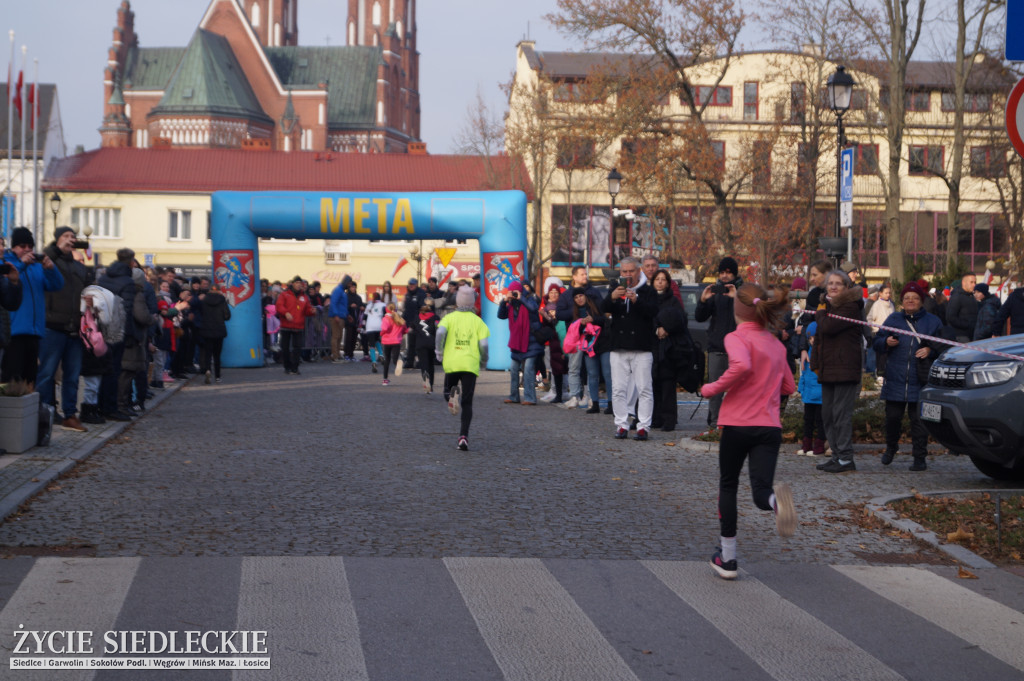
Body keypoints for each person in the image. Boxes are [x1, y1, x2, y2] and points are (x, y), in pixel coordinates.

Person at [699, 283, 797, 580]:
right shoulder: (777, 345)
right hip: (769, 428)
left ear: (737, 311)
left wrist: (711, 388)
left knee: (728, 485)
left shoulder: (735, 337)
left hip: (738, 425)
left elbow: (741, 365)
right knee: (761, 492)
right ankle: (776, 503)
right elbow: (789, 387)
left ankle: (728, 559)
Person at [872, 282, 944, 471]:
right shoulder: (893, 319)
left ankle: (919, 457)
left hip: (920, 380)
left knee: (919, 422)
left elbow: (944, 347)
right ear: (902, 301)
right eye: (906, 298)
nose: (910, 301)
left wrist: (930, 349)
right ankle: (891, 447)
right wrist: (886, 342)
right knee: (892, 419)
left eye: (915, 298)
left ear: (921, 301)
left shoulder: (933, 321)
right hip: (895, 378)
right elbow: (876, 341)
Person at [37, 226, 90, 432]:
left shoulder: (78, 267)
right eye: (66, 236)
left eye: (73, 237)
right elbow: (45, 257)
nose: (71, 240)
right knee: (46, 373)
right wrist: (57, 249)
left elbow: (86, 286)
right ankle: (43, 415)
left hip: (75, 328)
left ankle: (70, 414)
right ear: (58, 239)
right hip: (52, 325)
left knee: (72, 375)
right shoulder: (49, 258)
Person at [811, 269, 864, 473]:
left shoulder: (850, 306)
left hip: (844, 368)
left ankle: (846, 457)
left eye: (838, 283)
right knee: (828, 415)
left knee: (841, 414)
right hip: (829, 368)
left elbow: (827, 327)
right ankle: (836, 455)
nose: (833, 287)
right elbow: (819, 339)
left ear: (846, 287)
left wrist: (821, 311)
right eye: (830, 283)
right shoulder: (828, 307)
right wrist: (816, 364)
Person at [602, 256, 658, 440]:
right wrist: (612, 297)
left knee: (644, 388)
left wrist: (637, 300)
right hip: (618, 346)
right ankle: (621, 424)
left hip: (641, 346)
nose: (627, 275)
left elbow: (653, 312)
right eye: (624, 271)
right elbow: (603, 308)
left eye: (631, 271)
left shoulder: (648, 290)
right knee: (618, 388)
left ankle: (643, 426)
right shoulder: (615, 288)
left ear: (638, 271)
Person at [1, 227, 63, 384]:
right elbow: (7, 285)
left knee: (30, 381)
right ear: (13, 247)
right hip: (14, 332)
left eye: (30, 246)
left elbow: (57, 285)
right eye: (22, 246)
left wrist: (51, 269)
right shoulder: (8, 264)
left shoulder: (37, 266)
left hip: (35, 331)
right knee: (11, 380)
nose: (27, 250)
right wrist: (21, 265)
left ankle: (29, 408)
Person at [436, 286, 490, 451]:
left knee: (448, 389)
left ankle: (450, 396)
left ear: (457, 301)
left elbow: (440, 333)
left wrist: (439, 351)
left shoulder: (449, 318)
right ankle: (463, 437)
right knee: (467, 402)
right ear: (472, 301)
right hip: (470, 364)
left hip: (452, 362)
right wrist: (483, 361)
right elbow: (484, 344)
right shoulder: (478, 321)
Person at [694, 256, 742, 433]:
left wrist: (737, 298)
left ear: (734, 274)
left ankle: (736, 423)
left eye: (728, 272)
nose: (725, 276)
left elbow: (751, 315)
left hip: (738, 350)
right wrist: (704, 300)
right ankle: (715, 424)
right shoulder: (715, 293)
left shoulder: (743, 291)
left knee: (738, 389)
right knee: (715, 389)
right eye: (722, 272)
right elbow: (700, 317)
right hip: (717, 347)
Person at [555, 266, 602, 409]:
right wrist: (576, 315)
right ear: (574, 277)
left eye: (585, 274)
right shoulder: (565, 295)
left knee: (590, 368)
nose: (585, 276)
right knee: (574, 368)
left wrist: (591, 318)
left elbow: (601, 311)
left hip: (590, 337)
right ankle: (574, 396)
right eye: (582, 274)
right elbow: (559, 314)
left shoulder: (593, 292)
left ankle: (589, 396)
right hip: (575, 337)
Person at [650, 269, 692, 432]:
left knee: (668, 384)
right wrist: (656, 330)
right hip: (653, 345)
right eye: (657, 279)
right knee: (653, 383)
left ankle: (669, 419)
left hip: (669, 347)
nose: (660, 282)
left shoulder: (673, 300)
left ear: (668, 283)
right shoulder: (648, 299)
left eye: (663, 279)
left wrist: (666, 329)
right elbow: (646, 318)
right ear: (653, 281)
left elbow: (680, 319)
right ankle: (655, 417)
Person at [498, 280, 544, 405]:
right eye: (511, 292)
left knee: (528, 369)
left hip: (531, 341)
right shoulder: (511, 305)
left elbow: (534, 308)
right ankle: (514, 396)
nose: (513, 294)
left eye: (515, 292)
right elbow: (501, 315)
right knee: (513, 369)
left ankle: (530, 398)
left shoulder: (530, 299)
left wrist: (521, 297)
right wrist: (504, 302)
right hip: (516, 342)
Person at [796, 322, 826, 456]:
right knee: (807, 420)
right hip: (809, 394)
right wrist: (801, 388)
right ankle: (806, 445)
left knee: (820, 421)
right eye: (810, 338)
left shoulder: (823, 353)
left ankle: (819, 445)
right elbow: (804, 373)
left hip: (820, 395)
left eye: (814, 337)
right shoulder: (807, 352)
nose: (812, 341)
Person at [276, 276, 315, 375]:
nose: (299, 284)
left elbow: (307, 310)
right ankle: (287, 367)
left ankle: (295, 367)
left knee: (297, 348)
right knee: (285, 347)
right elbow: (279, 306)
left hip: (298, 326)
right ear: (292, 283)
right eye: (297, 282)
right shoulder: (284, 294)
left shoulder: (304, 297)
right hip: (286, 325)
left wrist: (312, 311)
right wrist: (286, 313)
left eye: (300, 283)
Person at [539, 283, 568, 405]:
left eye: (556, 292)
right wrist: (546, 315)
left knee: (568, 367)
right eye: (551, 292)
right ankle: (558, 394)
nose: (554, 294)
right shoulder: (545, 307)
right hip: (553, 341)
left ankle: (567, 392)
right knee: (556, 368)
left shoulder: (563, 306)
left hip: (564, 339)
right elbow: (545, 325)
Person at [198, 283, 231, 384]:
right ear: (219, 290)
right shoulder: (222, 300)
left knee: (208, 353)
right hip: (219, 330)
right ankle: (217, 376)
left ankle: (207, 370)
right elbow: (227, 316)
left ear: (209, 291)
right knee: (217, 355)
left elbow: (200, 314)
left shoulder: (204, 300)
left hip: (207, 329)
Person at [864, 283, 894, 383]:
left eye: (889, 293)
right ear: (880, 294)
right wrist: (875, 328)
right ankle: (876, 375)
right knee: (878, 356)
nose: (888, 295)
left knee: (888, 355)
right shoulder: (876, 305)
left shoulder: (891, 305)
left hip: (890, 334)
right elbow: (869, 319)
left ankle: (886, 373)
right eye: (886, 293)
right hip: (879, 334)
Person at [379, 302, 407, 385]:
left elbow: (385, 328)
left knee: (387, 360)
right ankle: (397, 362)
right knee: (394, 358)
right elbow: (405, 330)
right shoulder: (399, 318)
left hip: (386, 341)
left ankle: (385, 379)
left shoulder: (386, 318)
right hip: (396, 341)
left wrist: (381, 333)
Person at [402, 278, 427, 369]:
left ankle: (420, 362)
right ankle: (409, 362)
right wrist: (403, 319)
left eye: (413, 284)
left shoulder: (421, 294)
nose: (411, 286)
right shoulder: (408, 294)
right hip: (410, 323)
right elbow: (406, 309)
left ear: (416, 284)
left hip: (419, 323)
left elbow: (423, 309)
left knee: (419, 344)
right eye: (410, 284)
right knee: (411, 344)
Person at [945, 273, 979, 343]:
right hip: (960, 337)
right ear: (963, 282)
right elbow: (950, 317)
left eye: (975, 282)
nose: (974, 285)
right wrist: (968, 325)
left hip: (971, 335)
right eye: (971, 282)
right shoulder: (957, 297)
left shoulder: (971, 296)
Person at [414, 302, 438, 393]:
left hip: (420, 343)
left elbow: (412, 330)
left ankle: (425, 377)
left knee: (423, 363)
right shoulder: (435, 317)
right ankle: (431, 386)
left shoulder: (416, 318)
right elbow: (438, 328)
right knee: (431, 364)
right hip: (431, 343)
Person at [328, 277, 350, 363]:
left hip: (341, 317)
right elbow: (333, 303)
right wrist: (336, 314)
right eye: (349, 284)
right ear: (346, 282)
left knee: (339, 337)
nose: (349, 285)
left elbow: (343, 305)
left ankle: (338, 355)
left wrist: (347, 314)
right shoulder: (338, 290)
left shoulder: (342, 291)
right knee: (336, 336)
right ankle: (335, 356)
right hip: (336, 317)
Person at [363, 292, 386, 372]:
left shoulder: (369, 305)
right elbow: (386, 314)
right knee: (377, 340)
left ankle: (374, 361)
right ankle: (381, 354)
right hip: (379, 326)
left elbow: (364, 317)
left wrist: (363, 327)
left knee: (372, 345)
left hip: (370, 326)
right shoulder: (383, 305)